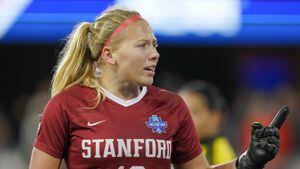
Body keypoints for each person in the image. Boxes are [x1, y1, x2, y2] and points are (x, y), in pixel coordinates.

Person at [29, 7, 281, 169]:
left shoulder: (172, 106)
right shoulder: (66, 105)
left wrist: (247, 162)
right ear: (109, 54)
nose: (155, 54)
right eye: (142, 46)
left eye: (155, 45)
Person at [178, 80, 236, 165]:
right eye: (180, 112)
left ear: (215, 117)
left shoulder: (220, 154)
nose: (183, 119)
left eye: (194, 112)